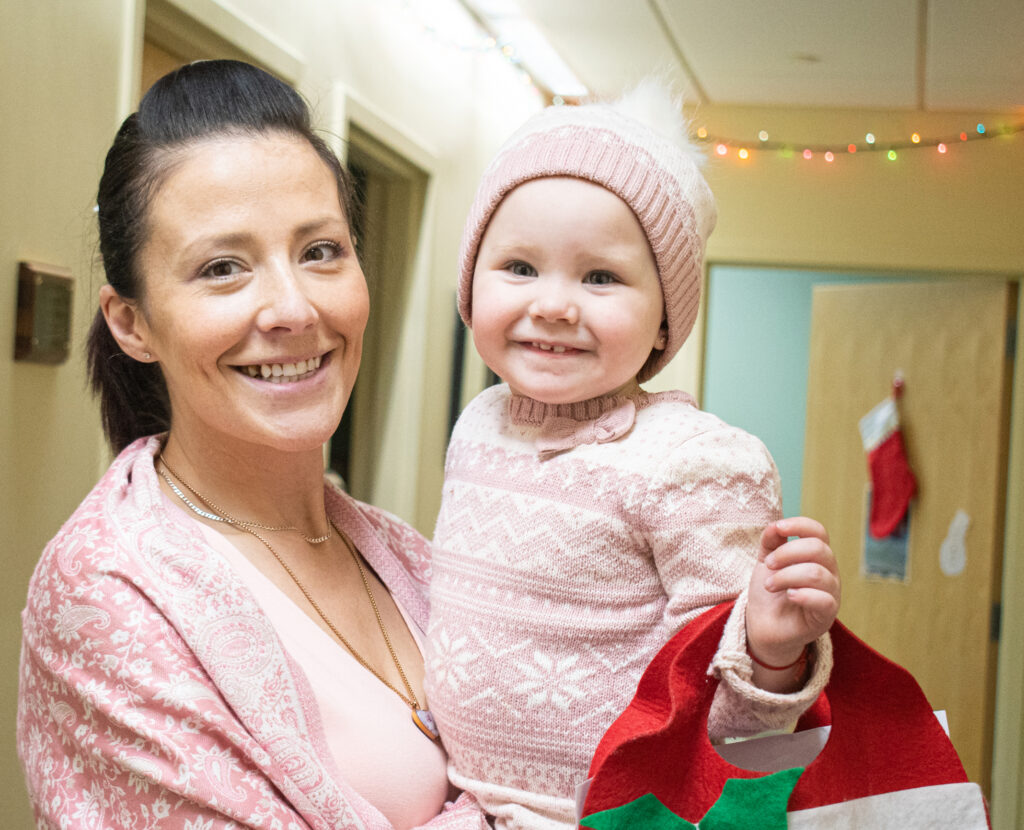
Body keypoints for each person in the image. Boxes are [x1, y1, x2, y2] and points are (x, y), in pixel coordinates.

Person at [16, 60, 487, 830]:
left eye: (321, 251)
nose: (293, 307)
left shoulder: (407, 558)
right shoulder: (105, 590)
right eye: (223, 268)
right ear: (131, 322)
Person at [425, 82, 842, 829]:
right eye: (519, 267)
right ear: (470, 281)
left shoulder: (699, 464)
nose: (553, 303)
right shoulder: (477, 424)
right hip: (463, 805)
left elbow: (735, 726)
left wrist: (771, 647)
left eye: (600, 277)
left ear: (663, 321)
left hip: (612, 817)